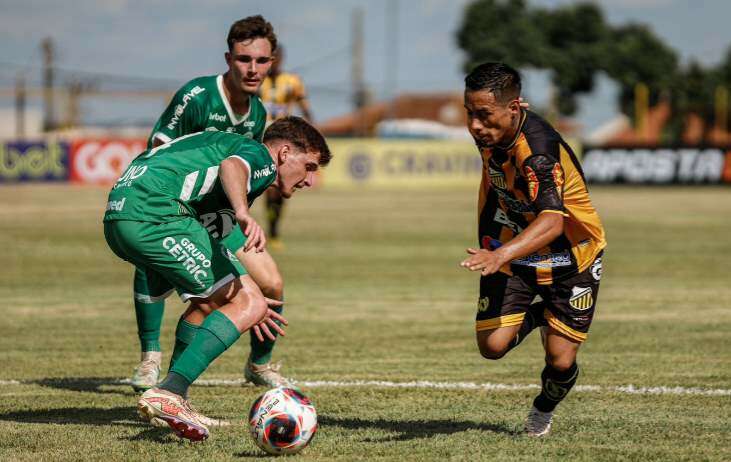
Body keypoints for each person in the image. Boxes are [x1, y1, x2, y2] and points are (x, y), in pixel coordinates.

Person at [104, 117, 332, 441]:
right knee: (248, 300)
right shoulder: (260, 158)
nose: (310, 180)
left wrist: (240, 296)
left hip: (121, 215)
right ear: (284, 153)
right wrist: (243, 213)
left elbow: (212, 217)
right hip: (155, 213)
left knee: (210, 303)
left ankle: (175, 399)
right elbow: (232, 166)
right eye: (309, 166)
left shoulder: (220, 154)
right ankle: (169, 392)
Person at [130, 15, 293, 392]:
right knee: (162, 274)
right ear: (228, 58)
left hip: (218, 215)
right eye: (243, 59)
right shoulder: (198, 96)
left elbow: (245, 170)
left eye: (262, 61)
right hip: (174, 209)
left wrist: (241, 216)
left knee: (271, 283)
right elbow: (158, 149)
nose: (253, 69)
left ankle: (258, 364)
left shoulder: (257, 114)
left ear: (273, 62)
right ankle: (151, 360)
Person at [460, 62, 606, 437]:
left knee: (560, 361)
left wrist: (498, 256)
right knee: (492, 346)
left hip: (573, 255)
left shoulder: (538, 154)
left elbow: (553, 221)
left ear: (515, 108)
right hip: (515, 249)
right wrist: (498, 243)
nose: (475, 126)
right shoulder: (493, 135)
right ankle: (544, 315)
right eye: (470, 114)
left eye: (484, 115)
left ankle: (543, 410)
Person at [259, 45, 313, 249]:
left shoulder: (292, 82)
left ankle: (273, 230)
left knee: (280, 188)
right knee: (263, 186)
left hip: (283, 140)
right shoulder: (256, 82)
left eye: (277, 58)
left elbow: (305, 107)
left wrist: (310, 133)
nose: (274, 62)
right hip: (260, 139)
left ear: (281, 58)